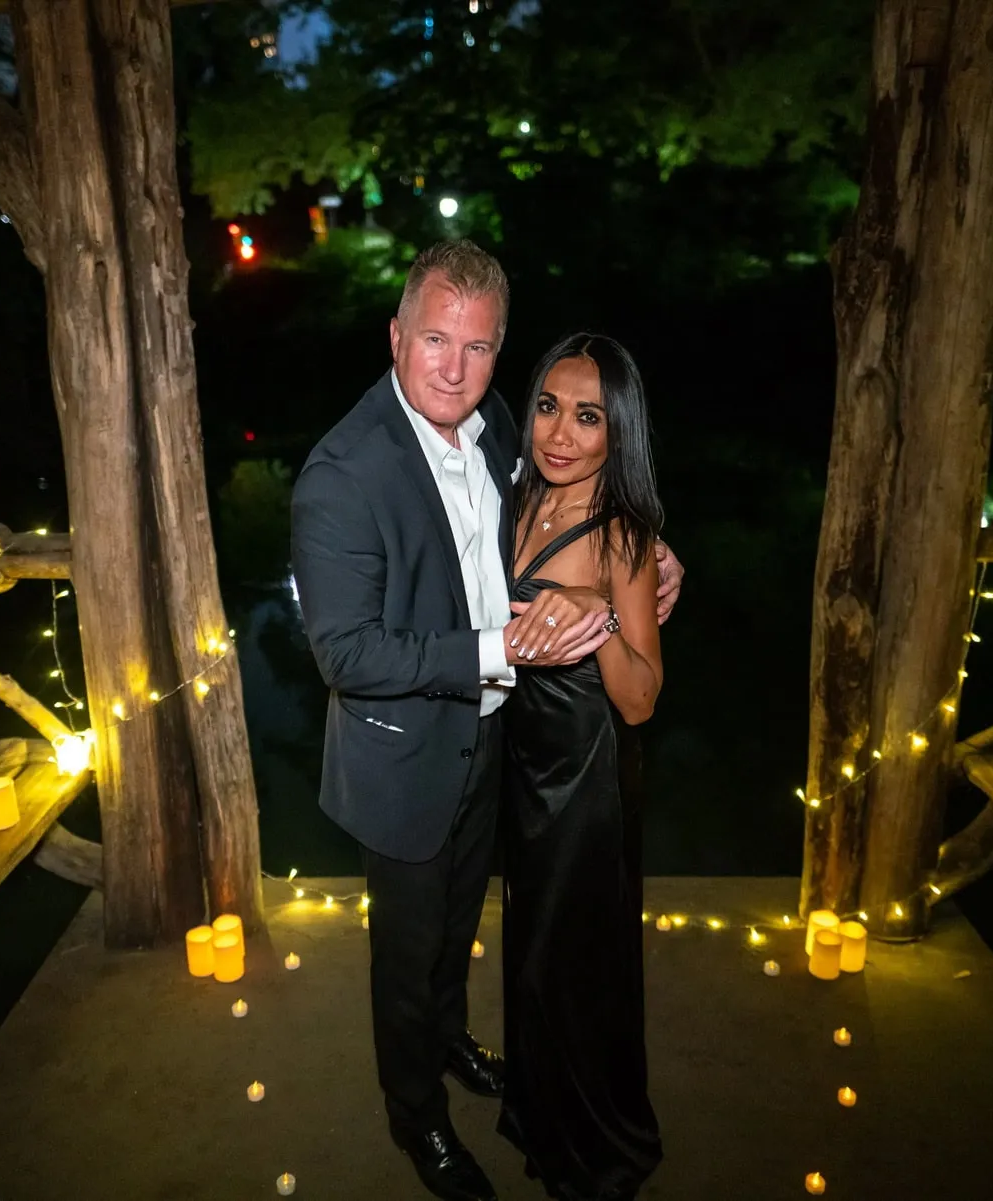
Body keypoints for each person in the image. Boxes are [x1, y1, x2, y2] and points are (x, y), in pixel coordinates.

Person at [290, 240, 684, 1201]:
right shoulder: (340, 474)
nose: (453, 369)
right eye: (434, 340)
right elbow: (346, 655)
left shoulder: (499, 420)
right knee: (408, 949)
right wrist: (497, 651)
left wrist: (656, 554)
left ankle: (455, 1036)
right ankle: (416, 1117)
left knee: (464, 922)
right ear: (397, 335)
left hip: (504, 750)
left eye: (476, 348)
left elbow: (575, 498)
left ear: (498, 353)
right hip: (408, 754)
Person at [495, 335, 665, 1201]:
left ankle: (598, 1151)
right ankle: (538, 1110)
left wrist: (597, 617)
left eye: (588, 415)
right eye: (550, 406)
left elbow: (642, 698)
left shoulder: (625, 537)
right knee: (529, 951)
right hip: (522, 767)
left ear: (616, 431)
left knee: (574, 964)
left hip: (585, 778)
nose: (561, 432)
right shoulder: (521, 495)